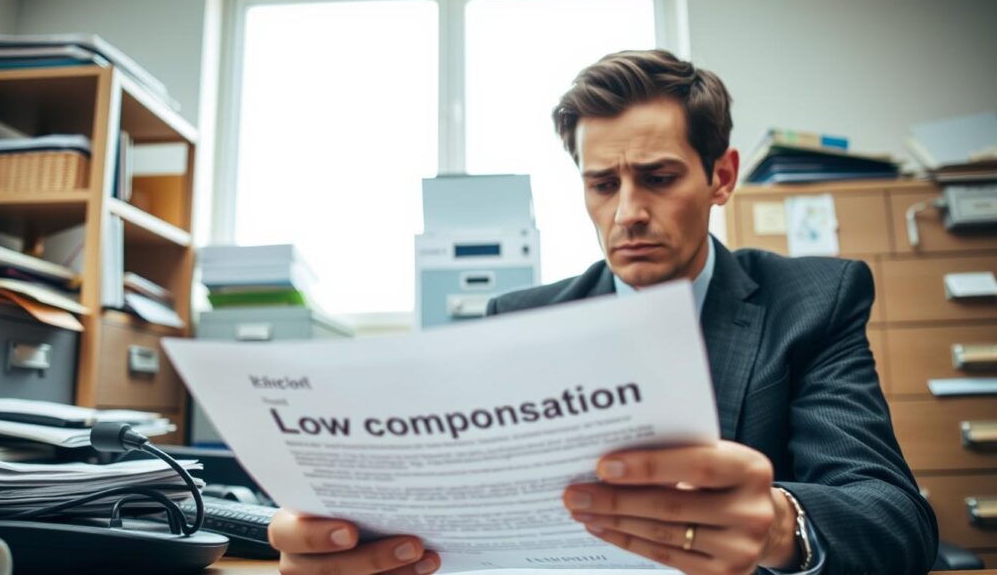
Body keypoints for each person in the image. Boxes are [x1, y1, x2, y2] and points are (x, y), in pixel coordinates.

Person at [267, 49, 938, 575]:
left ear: (722, 178)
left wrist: (778, 526)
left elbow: (892, 517)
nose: (626, 213)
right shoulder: (518, 320)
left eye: (659, 177)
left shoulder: (814, 301)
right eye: (602, 183)